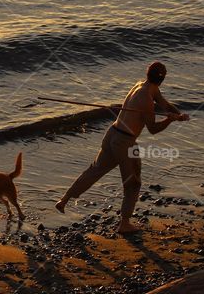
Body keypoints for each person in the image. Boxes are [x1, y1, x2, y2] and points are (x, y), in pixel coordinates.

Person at [55, 61, 189, 233]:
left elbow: (164, 103)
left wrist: (178, 115)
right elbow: (153, 129)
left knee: (95, 169)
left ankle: (64, 199)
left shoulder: (142, 86)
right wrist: (169, 120)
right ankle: (124, 224)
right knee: (132, 182)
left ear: (148, 73)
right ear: (162, 79)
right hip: (124, 141)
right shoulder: (147, 100)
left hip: (113, 133)